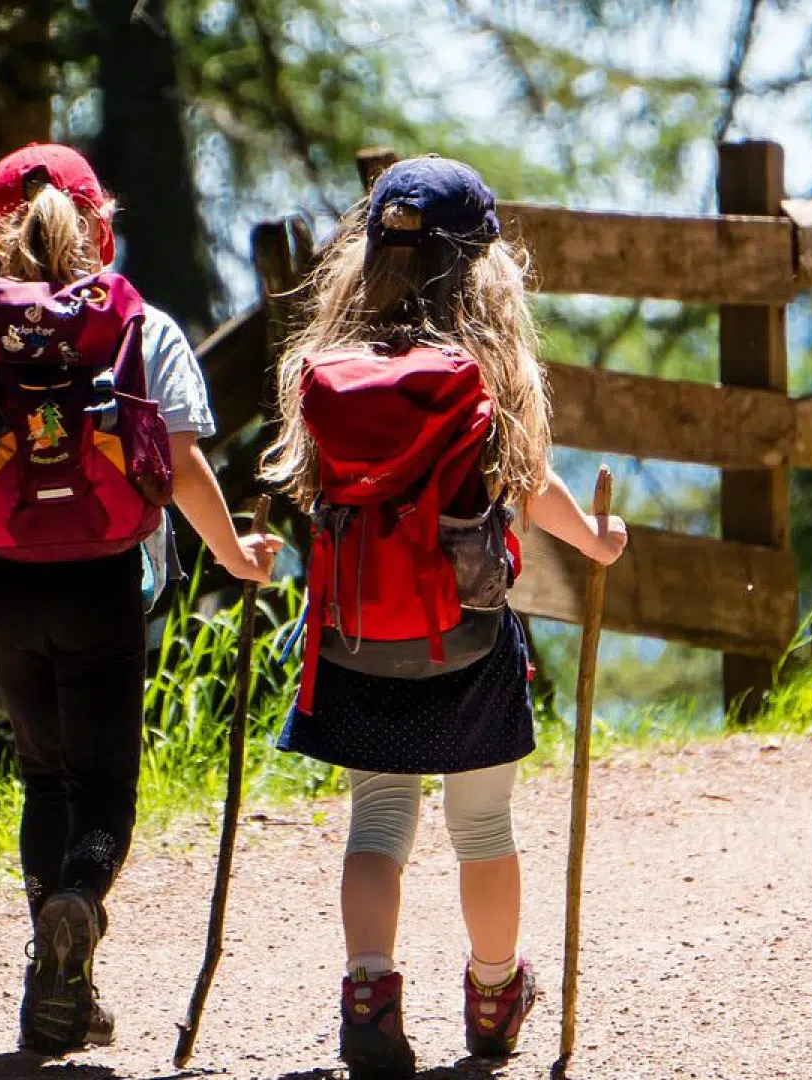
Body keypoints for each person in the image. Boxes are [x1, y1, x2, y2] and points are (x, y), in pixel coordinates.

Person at [0, 143, 281, 1056]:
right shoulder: (140, 326)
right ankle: (78, 904)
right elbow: (177, 467)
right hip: (104, 581)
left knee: (43, 777)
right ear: (101, 224)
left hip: (5, 584)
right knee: (106, 789)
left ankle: (57, 986)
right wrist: (237, 557)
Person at [260, 156, 627, 1079]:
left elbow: (307, 493)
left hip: (351, 643)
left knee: (377, 822)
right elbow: (527, 484)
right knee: (483, 826)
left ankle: (368, 992)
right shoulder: (484, 371)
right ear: (483, 265)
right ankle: (497, 993)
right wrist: (595, 541)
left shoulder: (323, 368)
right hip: (462, 643)